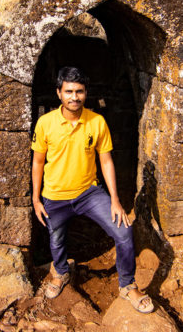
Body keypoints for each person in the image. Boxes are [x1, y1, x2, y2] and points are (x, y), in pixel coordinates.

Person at [31, 67, 153, 313]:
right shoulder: (45, 123)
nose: (74, 97)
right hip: (55, 196)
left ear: (86, 93)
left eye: (79, 91)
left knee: (123, 231)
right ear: (59, 93)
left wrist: (115, 200)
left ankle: (128, 285)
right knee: (56, 240)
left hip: (89, 193)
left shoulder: (96, 121)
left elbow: (106, 161)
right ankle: (62, 272)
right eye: (69, 91)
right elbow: (37, 162)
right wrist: (35, 199)